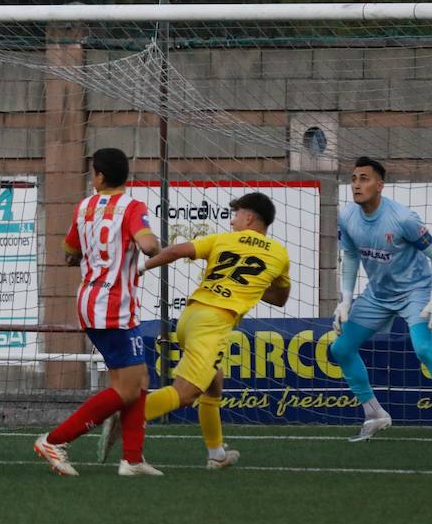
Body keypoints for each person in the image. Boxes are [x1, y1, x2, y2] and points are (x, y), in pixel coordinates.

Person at [32, 148, 163, 477]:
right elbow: (149, 245)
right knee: (128, 388)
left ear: (100, 176)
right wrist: (153, 247)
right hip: (113, 306)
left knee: (139, 379)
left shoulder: (85, 207)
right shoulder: (132, 207)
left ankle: (132, 459)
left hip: (94, 301)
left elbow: (69, 251)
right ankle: (54, 440)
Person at [136, 192, 292, 469]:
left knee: (214, 381)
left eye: (236, 215)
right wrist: (253, 285)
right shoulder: (279, 254)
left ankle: (216, 454)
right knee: (185, 394)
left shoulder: (222, 240)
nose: (232, 221)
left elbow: (176, 251)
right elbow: (280, 299)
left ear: (249, 218)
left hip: (190, 318)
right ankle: (128, 415)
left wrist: (142, 267)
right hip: (214, 323)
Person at [330, 157, 432, 443]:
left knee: (424, 349)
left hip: (415, 293)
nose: (357, 185)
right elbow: (350, 255)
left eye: (364, 179)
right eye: (354, 179)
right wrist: (345, 300)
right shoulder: (347, 216)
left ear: (380, 185)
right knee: (341, 348)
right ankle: (374, 413)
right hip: (378, 295)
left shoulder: (403, 218)